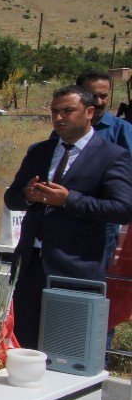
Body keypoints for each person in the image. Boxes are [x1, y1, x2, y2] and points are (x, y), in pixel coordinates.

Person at [5, 86, 132, 349]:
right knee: (24, 347)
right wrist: (28, 196)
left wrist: (69, 200)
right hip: (30, 265)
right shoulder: (39, 151)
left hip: (75, 266)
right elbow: (12, 198)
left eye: (67, 111)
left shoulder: (111, 155)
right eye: (54, 112)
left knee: (66, 347)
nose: (59, 118)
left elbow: (123, 208)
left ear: (89, 112)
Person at [77, 71, 132, 262]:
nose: (99, 102)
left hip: (103, 220)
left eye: (104, 96)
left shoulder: (122, 130)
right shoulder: (64, 130)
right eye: (93, 96)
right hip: (67, 215)